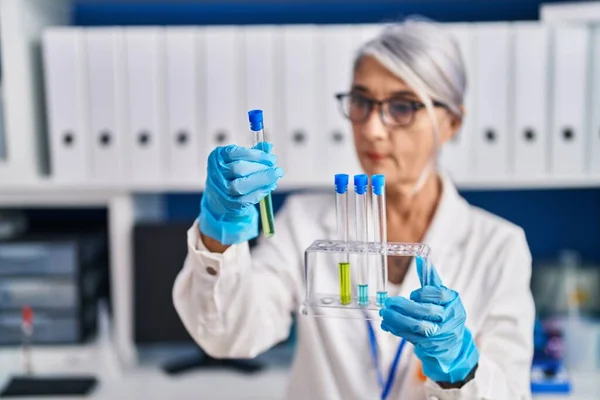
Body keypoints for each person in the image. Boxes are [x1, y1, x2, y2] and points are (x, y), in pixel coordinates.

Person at [173, 19, 534, 400]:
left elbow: (510, 393)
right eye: (362, 102)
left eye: (402, 106)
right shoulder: (304, 222)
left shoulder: (499, 248)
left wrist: (460, 370)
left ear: (452, 122)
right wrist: (218, 233)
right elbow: (228, 334)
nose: (373, 129)